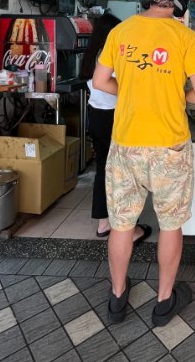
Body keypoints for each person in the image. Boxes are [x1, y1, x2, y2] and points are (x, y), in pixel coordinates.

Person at [93, 0, 195, 327]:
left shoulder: (121, 32)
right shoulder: (186, 37)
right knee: (170, 225)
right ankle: (162, 301)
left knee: (122, 224)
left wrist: (127, 89)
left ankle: (116, 297)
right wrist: (179, 96)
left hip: (125, 144)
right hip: (169, 147)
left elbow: (100, 82)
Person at [78, 13, 151, 246]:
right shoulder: (111, 55)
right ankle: (130, 230)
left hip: (96, 117)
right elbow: (120, 86)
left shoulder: (91, 55)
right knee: (126, 173)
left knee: (103, 170)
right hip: (115, 118)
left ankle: (103, 223)